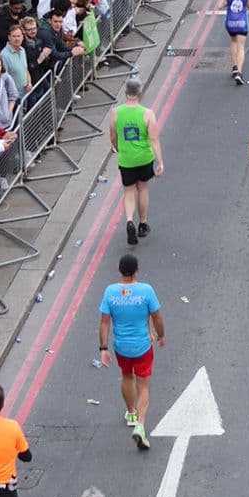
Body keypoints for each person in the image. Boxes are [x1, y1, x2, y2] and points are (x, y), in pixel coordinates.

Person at [98, 253, 164, 451]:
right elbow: (157, 317)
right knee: (143, 385)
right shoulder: (146, 291)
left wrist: (103, 349)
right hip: (142, 346)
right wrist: (161, 335)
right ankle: (140, 425)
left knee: (127, 376)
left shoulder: (110, 292)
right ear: (137, 270)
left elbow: (104, 322)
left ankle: (130, 412)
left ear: (119, 270)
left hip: (121, 347)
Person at [108, 79, 164, 246]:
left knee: (128, 191)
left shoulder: (116, 112)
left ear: (126, 93)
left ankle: (130, 221)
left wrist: (118, 148)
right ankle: (142, 224)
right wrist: (160, 161)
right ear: (140, 93)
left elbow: (112, 136)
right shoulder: (147, 114)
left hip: (126, 159)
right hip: (144, 158)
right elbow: (154, 139)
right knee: (143, 188)